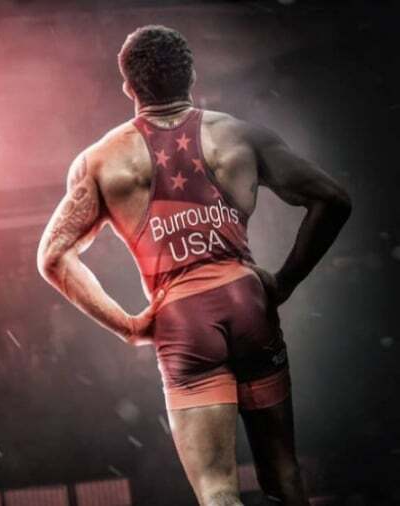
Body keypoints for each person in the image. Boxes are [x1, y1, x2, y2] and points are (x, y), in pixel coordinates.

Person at [36, 25, 351, 506]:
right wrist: (284, 282)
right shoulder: (240, 135)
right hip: (250, 305)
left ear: (128, 86)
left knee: (217, 491)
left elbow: (53, 256)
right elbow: (333, 199)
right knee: (285, 478)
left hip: (183, 320)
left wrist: (128, 326)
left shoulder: (100, 161)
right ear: (192, 76)